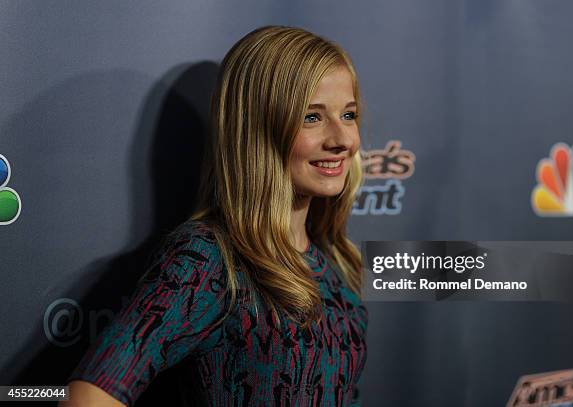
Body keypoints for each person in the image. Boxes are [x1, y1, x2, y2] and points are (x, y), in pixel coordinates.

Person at [61, 25, 368, 407]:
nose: (343, 139)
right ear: (258, 128)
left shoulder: (337, 265)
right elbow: (87, 397)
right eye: (312, 117)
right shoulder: (208, 259)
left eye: (349, 114)